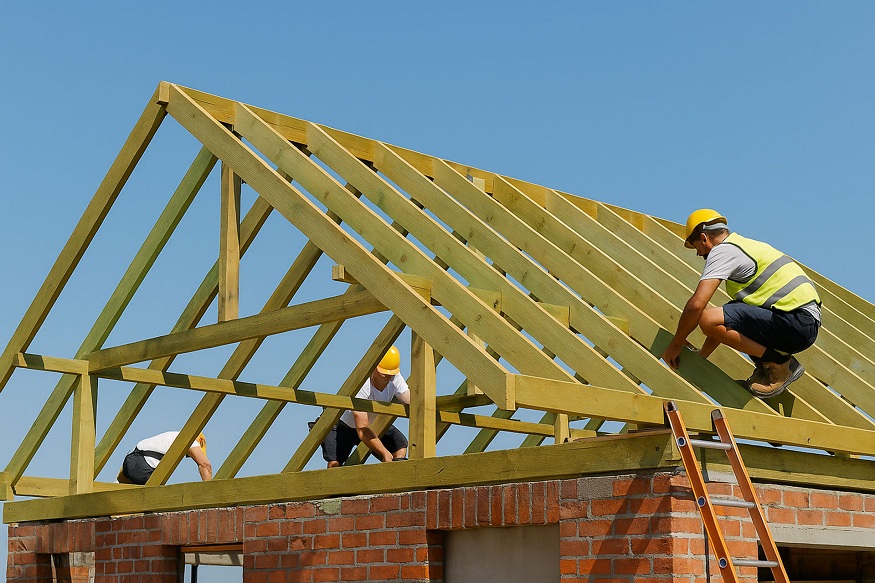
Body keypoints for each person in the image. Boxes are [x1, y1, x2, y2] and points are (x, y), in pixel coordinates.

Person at [661, 209, 821, 398]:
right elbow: (728, 321)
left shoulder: (723, 251)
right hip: (800, 322)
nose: (698, 253)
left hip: (794, 322)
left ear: (704, 238)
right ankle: (769, 368)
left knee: (707, 317)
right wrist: (702, 355)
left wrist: (676, 343)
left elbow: (697, 305)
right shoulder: (743, 246)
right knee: (722, 314)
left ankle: (778, 364)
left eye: (696, 247)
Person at [316, 346, 410, 467]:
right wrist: (384, 453)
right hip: (343, 425)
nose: (388, 377)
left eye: (391, 373)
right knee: (335, 463)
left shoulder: (395, 377)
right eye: (384, 373)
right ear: (374, 367)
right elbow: (362, 430)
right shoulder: (362, 385)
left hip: (372, 424)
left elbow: (411, 400)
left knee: (399, 445)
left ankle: (391, 479)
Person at [117, 431, 212, 484]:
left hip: (129, 461)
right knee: (159, 500)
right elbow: (205, 464)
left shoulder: (171, 436)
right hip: (144, 466)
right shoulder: (190, 439)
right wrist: (208, 491)